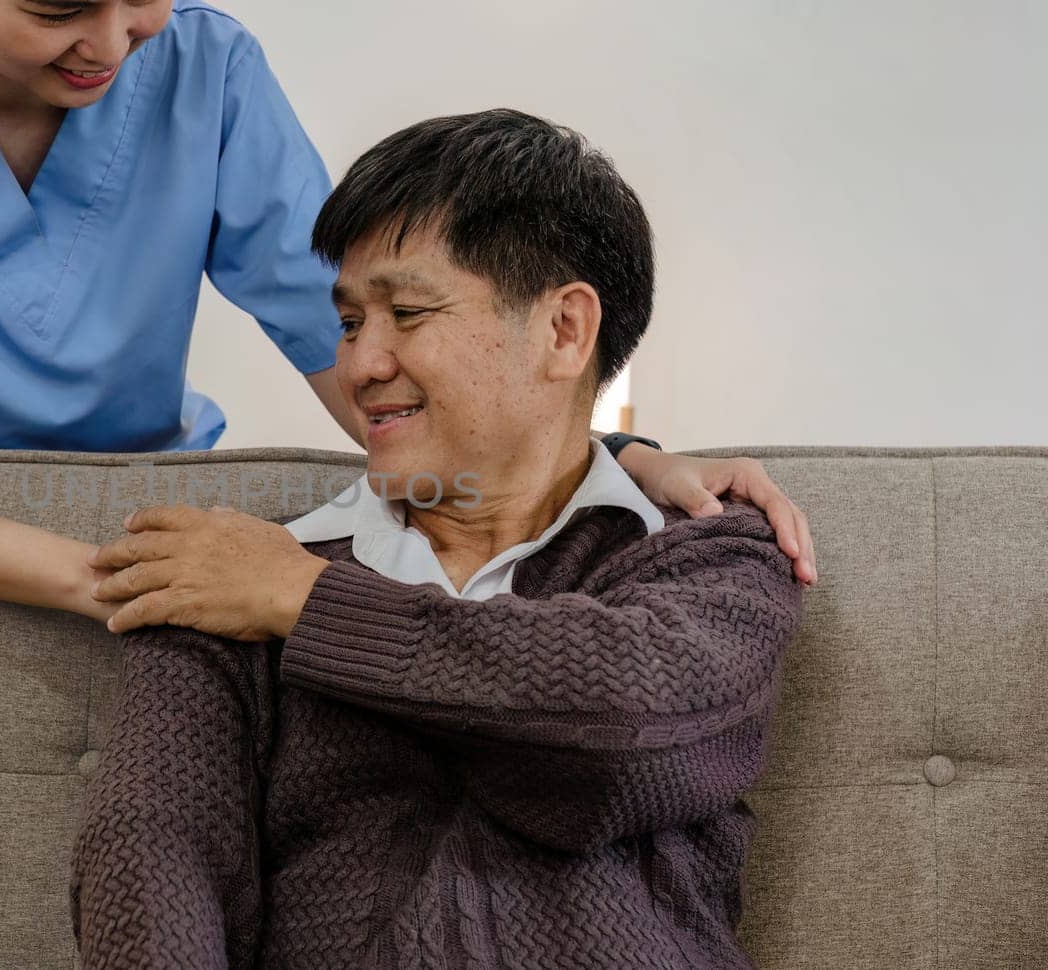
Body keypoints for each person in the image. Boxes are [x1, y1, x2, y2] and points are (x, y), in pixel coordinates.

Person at [0, 0, 816, 631]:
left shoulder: (206, 65)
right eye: (59, 7)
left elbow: (368, 345)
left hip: (149, 515)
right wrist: (115, 583)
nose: (116, 42)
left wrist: (610, 458)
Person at [74, 109, 805, 967]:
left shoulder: (713, 554)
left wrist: (307, 603)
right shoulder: (218, 584)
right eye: (349, 324)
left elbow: (623, 731)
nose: (359, 367)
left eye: (409, 312)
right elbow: (149, 857)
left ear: (565, 330)